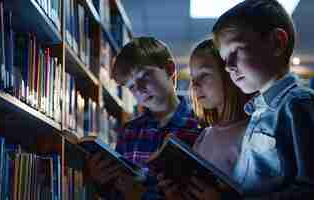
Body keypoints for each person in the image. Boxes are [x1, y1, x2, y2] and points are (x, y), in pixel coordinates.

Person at [182, 0, 314, 199]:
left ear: (277, 42)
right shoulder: (258, 111)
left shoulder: (298, 105)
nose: (228, 67)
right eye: (225, 59)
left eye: (235, 52)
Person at [86, 37, 203, 199]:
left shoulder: (200, 127)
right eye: (132, 86)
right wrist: (102, 182)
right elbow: (117, 192)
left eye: (144, 76)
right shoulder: (129, 133)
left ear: (169, 69)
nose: (139, 89)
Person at [157, 39, 250, 200]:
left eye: (204, 75)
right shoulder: (204, 136)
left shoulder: (255, 134)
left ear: (230, 73)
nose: (194, 85)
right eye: (193, 78)